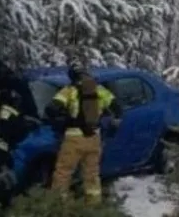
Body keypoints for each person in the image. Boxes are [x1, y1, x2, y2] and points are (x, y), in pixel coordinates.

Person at [45, 62, 123, 205]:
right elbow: (117, 107)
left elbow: (51, 109)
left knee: (63, 173)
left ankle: (58, 208)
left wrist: (64, 120)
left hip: (74, 138)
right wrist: (112, 124)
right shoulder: (99, 90)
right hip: (94, 138)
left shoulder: (69, 91)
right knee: (92, 175)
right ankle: (93, 208)